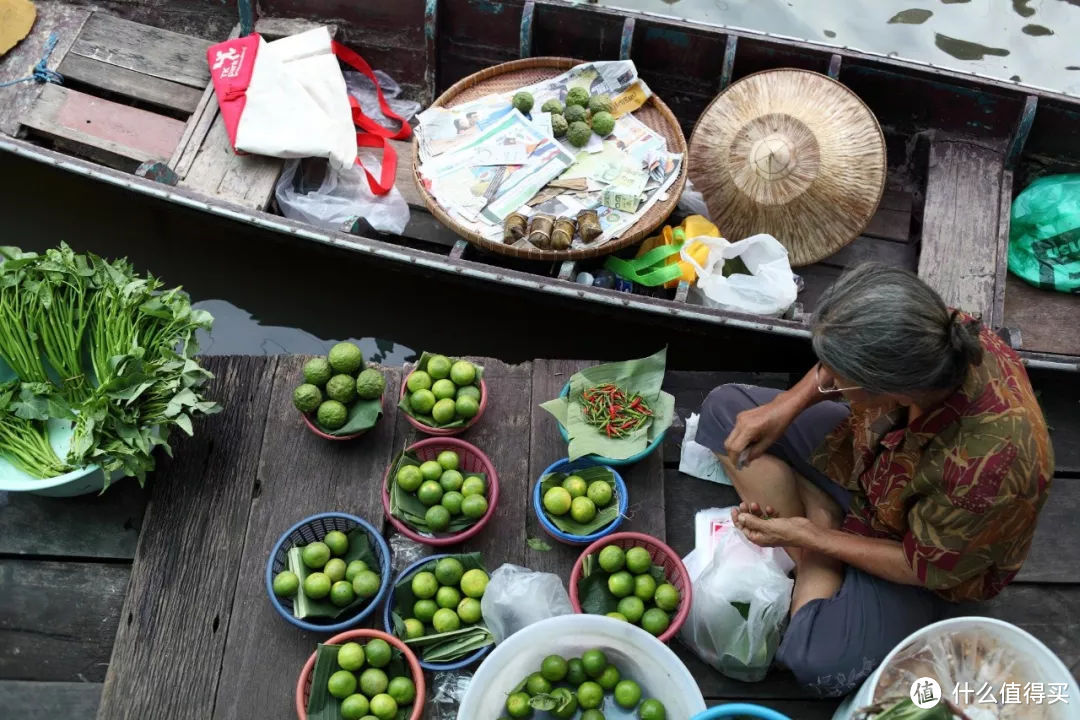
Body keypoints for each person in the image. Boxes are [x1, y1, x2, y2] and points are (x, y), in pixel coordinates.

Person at [696, 263, 1052, 697]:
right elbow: (836, 368)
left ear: (888, 391)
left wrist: (813, 537)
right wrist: (787, 406)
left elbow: (921, 566)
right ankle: (823, 528)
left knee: (812, 658)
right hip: (874, 463)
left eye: (837, 382)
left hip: (918, 556)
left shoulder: (985, 471)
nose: (826, 380)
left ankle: (821, 530)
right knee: (725, 414)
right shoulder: (931, 333)